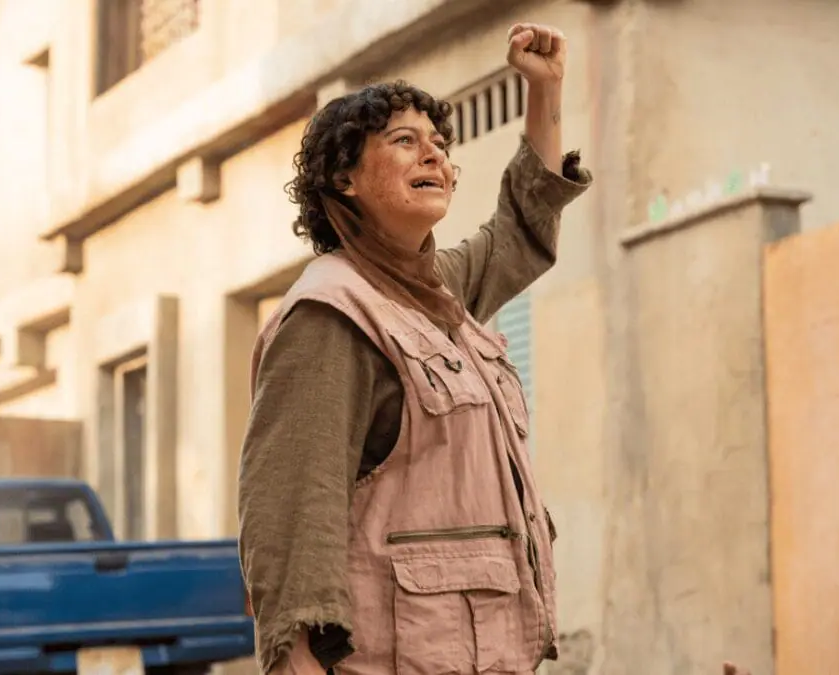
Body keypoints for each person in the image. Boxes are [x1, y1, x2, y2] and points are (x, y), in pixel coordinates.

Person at [237, 21, 587, 675]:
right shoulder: (329, 314)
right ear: (344, 178)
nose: (435, 157)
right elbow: (288, 511)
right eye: (405, 142)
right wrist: (294, 661)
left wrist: (545, 90)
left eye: (440, 145)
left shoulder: (438, 291)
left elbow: (519, 233)